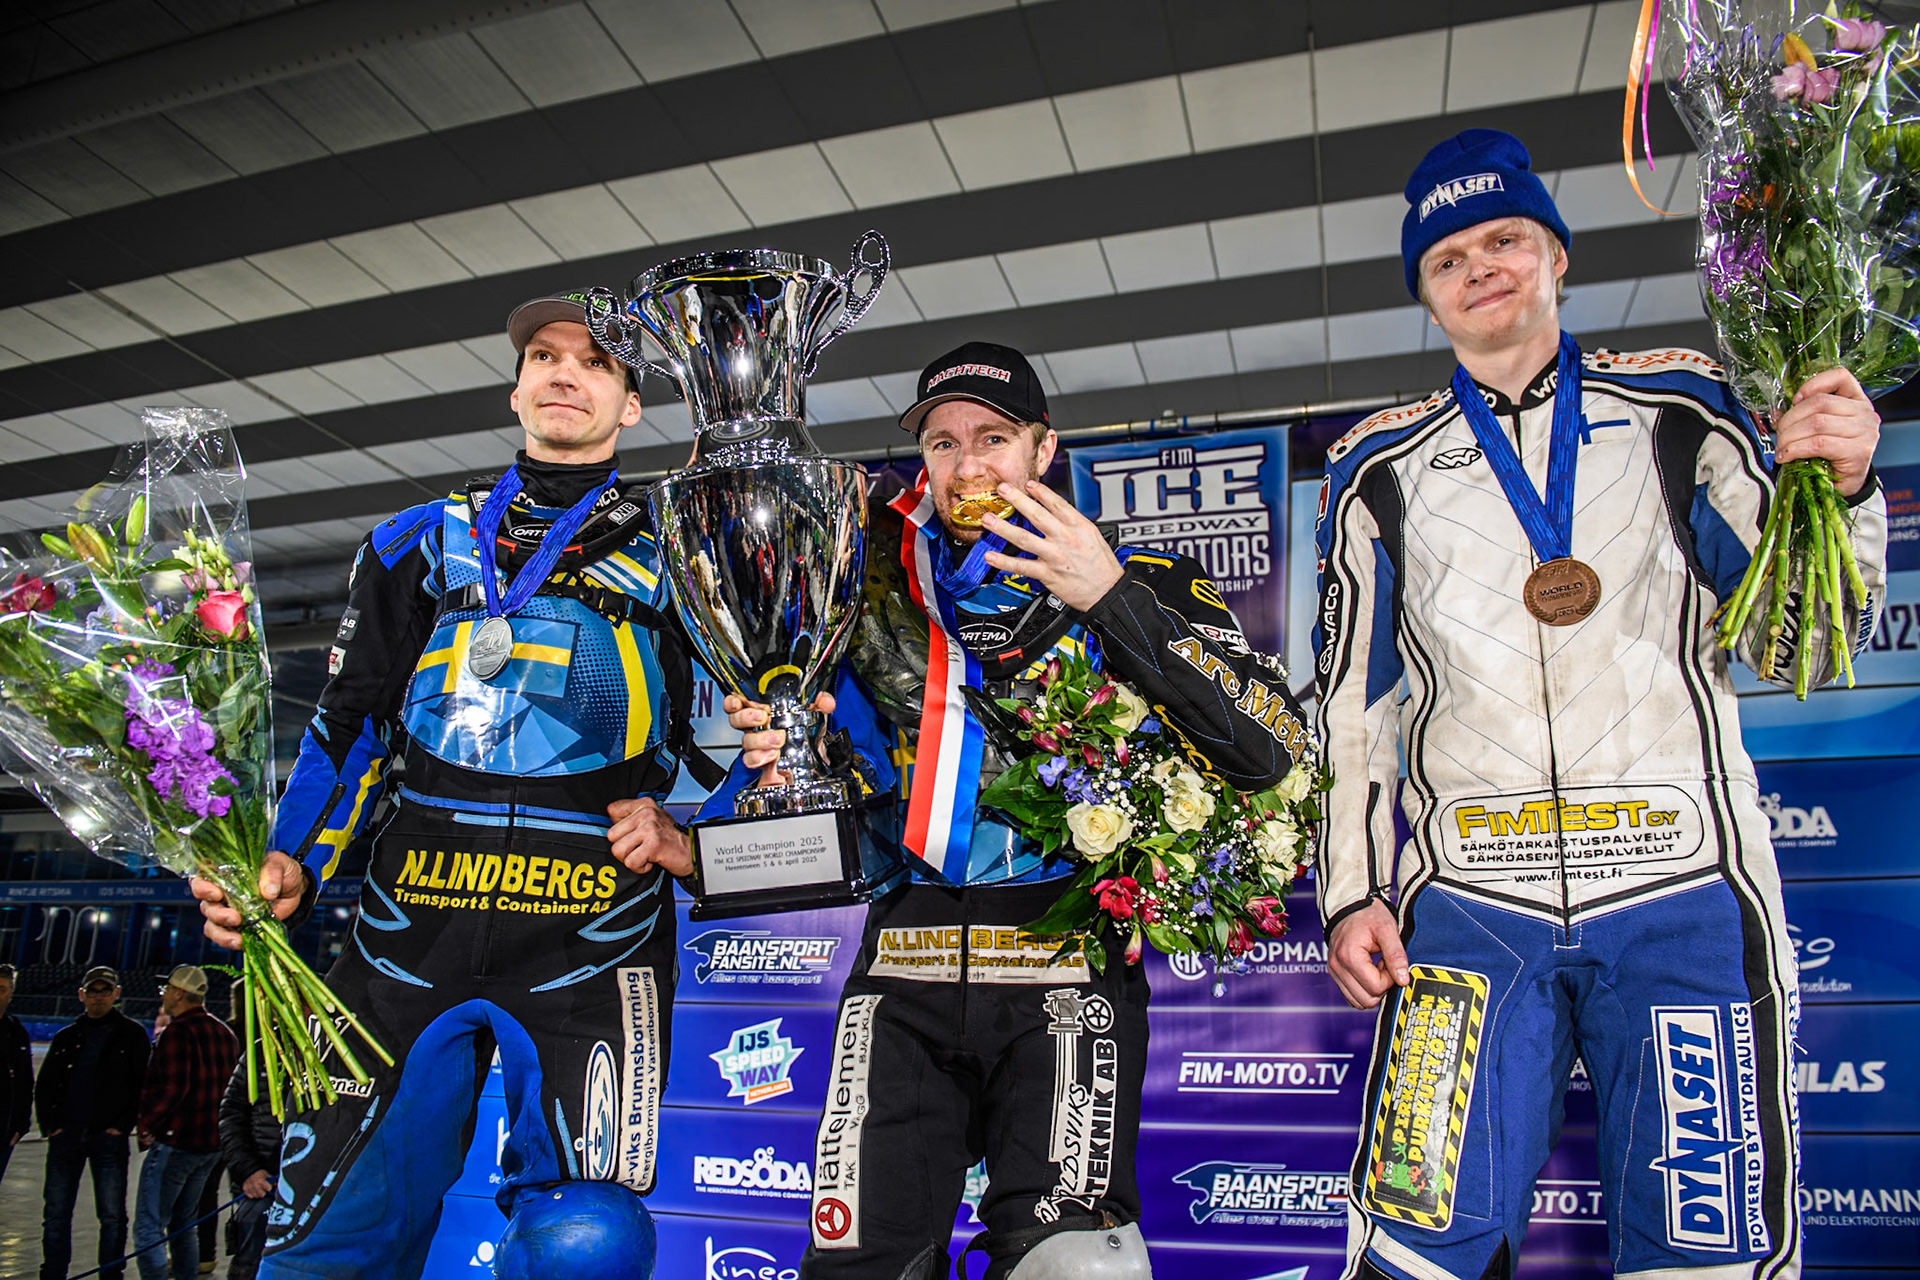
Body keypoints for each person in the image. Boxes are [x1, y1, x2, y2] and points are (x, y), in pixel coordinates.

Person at [1314, 128, 1887, 1280]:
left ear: (1557, 255)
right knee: (1417, 1248)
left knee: (1706, 1249)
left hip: (1680, 897)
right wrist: (1348, 891)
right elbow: (1352, 710)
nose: (1481, 267)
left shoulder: (1686, 407)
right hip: (1470, 912)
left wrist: (1847, 486)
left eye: (1506, 238)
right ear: (1427, 295)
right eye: (1448, 258)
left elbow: (1805, 641)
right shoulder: (1377, 465)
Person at [717, 342, 1311, 1280]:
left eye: (994, 437)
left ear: (1043, 448)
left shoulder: (1143, 578)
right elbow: (842, 767)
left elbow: (1266, 746)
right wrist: (787, 747)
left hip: (1064, 966)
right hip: (901, 964)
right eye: (944, 444)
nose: (968, 464)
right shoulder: (865, 588)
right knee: (857, 1266)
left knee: (1079, 1268)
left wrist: (1109, 597)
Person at [189, 290, 712, 1280]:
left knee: (586, 1240)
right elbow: (347, 719)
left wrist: (699, 840)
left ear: (631, 405)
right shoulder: (415, 540)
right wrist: (290, 856)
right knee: (321, 1230)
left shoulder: (684, 552)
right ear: (516, 387)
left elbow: (780, 725)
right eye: (545, 356)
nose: (565, 372)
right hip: (408, 915)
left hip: (592, 923)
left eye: (595, 362)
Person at [35, 965, 151, 1280]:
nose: (98, 997)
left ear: (116, 993)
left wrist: (123, 1126)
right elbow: (44, 1085)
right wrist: (51, 1127)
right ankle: (53, 1272)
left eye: (105, 991)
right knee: (56, 1214)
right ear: (81, 995)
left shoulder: (133, 1034)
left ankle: (111, 1274)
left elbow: (142, 1084)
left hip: (109, 1138)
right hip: (67, 1136)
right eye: (93, 991)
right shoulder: (66, 1036)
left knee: (112, 1215)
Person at [132, 964, 238, 1280]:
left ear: (179, 993)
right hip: (210, 1145)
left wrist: (147, 1124)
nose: (163, 996)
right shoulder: (224, 1033)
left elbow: (174, 1088)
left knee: (150, 1224)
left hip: (177, 1142)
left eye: (166, 990)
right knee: (184, 1223)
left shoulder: (177, 1033)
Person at [218, 1003, 282, 1280]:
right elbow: (231, 1114)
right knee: (248, 1263)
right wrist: (247, 1170)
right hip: (259, 1187)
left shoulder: (333, 1051)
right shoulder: (259, 1052)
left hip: (309, 1190)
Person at [0, 963, 31, 1183]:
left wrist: (20, 1124)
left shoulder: (15, 1031)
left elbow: (25, 1081)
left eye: (2, 989)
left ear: (11, 993)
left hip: (3, 1131)